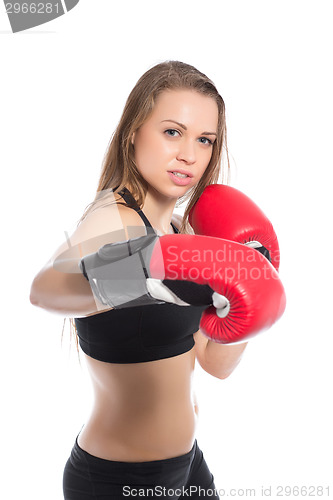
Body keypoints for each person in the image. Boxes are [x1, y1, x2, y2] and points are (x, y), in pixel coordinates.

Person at [30, 61, 281, 499]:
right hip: (117, 480)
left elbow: (214, 364)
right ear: (133, 133)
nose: (189, 154)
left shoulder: (183, 234)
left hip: (188, 468)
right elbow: (44, 289)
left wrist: (250, 282)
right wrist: (142, 272)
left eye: (204, 140)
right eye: (172, 132)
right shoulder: (114, 219)